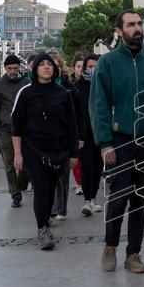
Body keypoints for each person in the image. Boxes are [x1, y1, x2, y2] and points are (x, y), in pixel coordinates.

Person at [90, 9, 144, 273]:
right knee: (119, 196)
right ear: (119, 31)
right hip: (118, 140)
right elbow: (98, 104)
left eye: (139, 24)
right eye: (131, 24)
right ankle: (110, 245)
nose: (137, 28)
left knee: (140, 199)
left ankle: (134, 253)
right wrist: (105, 143)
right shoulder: (108, 63)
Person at [11, 53, 79, 250]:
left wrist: (73, 153)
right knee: (41, 189)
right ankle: (43, 228)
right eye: (42, 64)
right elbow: (17, 126)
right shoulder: (26, 93)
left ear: (55, 69)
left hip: (58, 150)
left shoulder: (63, 93)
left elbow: (72, 126)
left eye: (50, 64)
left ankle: (45, 218)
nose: (47, 67)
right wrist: (18, 154)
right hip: (33, 150)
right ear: (35, 69)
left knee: (50, 190)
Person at [47, 50, 85, 222]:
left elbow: (79, 114)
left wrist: (80, 137)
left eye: (55, 65)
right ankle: (50, 207)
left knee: (62, 174)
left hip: (65, 136)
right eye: (48, 64)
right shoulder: (37, 88)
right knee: (47, 175)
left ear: (61, 67)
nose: (51, 68)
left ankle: (59, 208)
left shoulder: (70, 88)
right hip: (44, 138)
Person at [0, 54, 30, 207]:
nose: (12, 71)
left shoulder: (27, 83)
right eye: (9, 69)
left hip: (25, 130)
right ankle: (15, 194)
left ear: (19, 67)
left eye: (15, 68)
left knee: (26, 162)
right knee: (9, 163)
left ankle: (21, 183)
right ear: (5, 68)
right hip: (6, 130)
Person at [74, 53, 103, 216]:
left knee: (98, 166)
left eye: (96, 66)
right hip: (84, 133)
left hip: (101, 132)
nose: (92, 69)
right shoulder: (77, 87)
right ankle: (87, 200)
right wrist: (78, 134)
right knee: (86, 165)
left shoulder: (104, 84)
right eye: (90, 66)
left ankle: (93, 198)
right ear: (84, 68)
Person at [70, 52, 86, 196]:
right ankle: (79, 183)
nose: (81, 69)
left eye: (83, 66)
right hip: (74, 125)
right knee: (78, 156)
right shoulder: (71, 87)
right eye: (78, 66)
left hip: (88, 123)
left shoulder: (92, 84)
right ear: (74, 68)